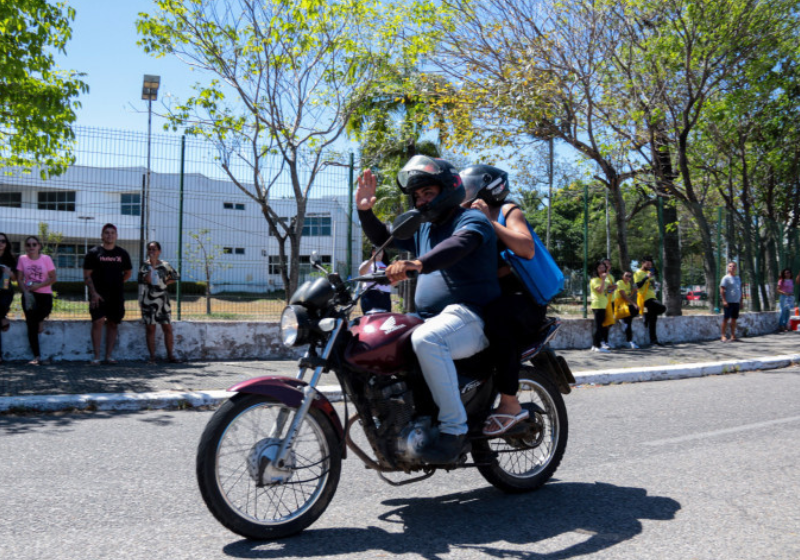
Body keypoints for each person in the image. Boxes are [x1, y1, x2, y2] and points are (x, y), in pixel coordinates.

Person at [356, 155, 501, 464]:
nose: (421, 201)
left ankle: (453, 431)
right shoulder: (424, 228)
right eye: (417, 196)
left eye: (428, 193)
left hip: (471, 316)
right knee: (376, 337)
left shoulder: (470, 220)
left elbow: (458, 246)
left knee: (426, 339)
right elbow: (386, 240)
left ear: (448, 188)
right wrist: (365, 210)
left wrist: (418, 263)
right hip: (429, 318)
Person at [459, 164, 546, 436]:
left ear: (490, 187)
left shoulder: (508, 211)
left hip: (520, 297)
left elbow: (526, 248)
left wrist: (490, 222)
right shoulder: (463, 215)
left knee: (497, 322)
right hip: (485, 293)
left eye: (470, 188)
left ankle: (509, 402)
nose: (467, 194)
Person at [83, 223, 132, 365]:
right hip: (98, 295)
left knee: (113, 323)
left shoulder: (122, 253)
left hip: (116, 296)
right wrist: (93, 293)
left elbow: (128, 273)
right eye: (106, 233)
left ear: (116, 236)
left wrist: (117, 283)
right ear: (101, 235)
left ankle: (108, 356)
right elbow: (87, 275)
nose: (109, 235)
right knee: (97, 322)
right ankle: (96, 357)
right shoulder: (93, 253)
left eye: (112, 233)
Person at [138, 241, 180, 364]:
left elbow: (175, 277)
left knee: (167, 327)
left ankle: (170, 356)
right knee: (151, 329)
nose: (152, 251)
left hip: (163, 301)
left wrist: (165, 284)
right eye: (150, 249)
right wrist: (153, 266)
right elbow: (148, 280)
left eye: (154, 249)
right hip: (149, 301)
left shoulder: (166, 265)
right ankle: (152, 357)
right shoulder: (144, 266)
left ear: (159, 251)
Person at [17, 236, 56, 365]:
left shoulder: (46, 259)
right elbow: (19, 278)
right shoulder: (22, 259)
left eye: (34, 244)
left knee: (44, 312)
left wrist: (38, 286)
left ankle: (40, 320)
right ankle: (37, 356)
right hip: (29, 295)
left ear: (39, 246)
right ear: (25, 247)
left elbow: (53, 278)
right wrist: (26, 292)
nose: (31, 247)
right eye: (28, 245)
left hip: (44, 294)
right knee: (31, 326)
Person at [634, 256, 666, 346]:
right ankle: (646, 315)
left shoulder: (649, 272)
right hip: (644, 298)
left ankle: (653, 340)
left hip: (652, 297)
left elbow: (651, 285)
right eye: (647, 264)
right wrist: (645, 278)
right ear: (643, 263)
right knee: (662, 308)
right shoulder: (638, 273)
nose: (649, 266)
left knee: (653, 320)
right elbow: (638, 286)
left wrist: (655, 285)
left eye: (650, 264)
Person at [0, 233, 18, 364]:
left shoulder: (10, 258)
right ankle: (3, 318)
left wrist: (9, 272)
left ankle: (3, 316)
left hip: (5, 291)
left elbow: (15, 279)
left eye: (3, 241)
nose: (0, 243)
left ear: (6, 244)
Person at [358, 246, 392, 314]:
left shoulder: (387, 265)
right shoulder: (367, 263)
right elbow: (362, 272)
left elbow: (394, 283)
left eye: (381, 251)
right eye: (377, 251)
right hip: (370, 293)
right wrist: (372, 259)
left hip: (385, 295)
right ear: (373, 252)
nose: (379, 254)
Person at [590, 261, 612, 353]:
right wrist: (603, 280)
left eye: (603, 267)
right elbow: (599, 291)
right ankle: (597, 345)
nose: (602, 269)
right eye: (600, 268)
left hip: (603, 304)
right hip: (598, 304)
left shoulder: (605, 280)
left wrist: (612, 288)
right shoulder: (594, 280)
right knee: (598, 326)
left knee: (601, 326)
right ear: (596, 269)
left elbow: (605, 292)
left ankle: (595, 345)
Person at [615, 271, 640, 349]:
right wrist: (634, 303)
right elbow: (623, 296)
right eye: (626, 276)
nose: (628, 277)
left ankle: (628, 340)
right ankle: (629, 340)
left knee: (631, 317)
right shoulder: (619, 282)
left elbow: (628, 295)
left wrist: (634, 291)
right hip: (619, 304)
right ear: (622, 276)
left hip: (625, 304)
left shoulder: (628, 284)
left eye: (629, 276)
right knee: (633, 311)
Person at [720, 261, 742, 342]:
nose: (732, 268)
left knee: (734, 319)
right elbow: (722, 289)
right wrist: (724, 300)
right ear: (728, 268)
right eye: (730, 266)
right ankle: (723, 336)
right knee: (726, 319)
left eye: (734, 266)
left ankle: (733, 336)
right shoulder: (725, 278)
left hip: (736, 302)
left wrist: (741, 301)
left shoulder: (738, 278)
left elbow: (740, 290)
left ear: (736, 268)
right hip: (729, 302)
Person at [776, 268, 795, 333]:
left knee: (788, 311)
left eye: (788, 273)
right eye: (786, 273)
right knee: (783, 311)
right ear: (784, 274)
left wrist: (791, 294)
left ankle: (785, 325)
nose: (787, 274)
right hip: (784, 296)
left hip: (790, 297)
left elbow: (791, 289)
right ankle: (781, 325)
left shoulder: (791, 280)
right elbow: (778, 290)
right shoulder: (781, 280)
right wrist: (784, 293)